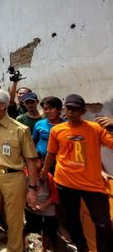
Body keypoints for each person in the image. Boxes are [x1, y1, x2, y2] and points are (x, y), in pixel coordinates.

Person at [40, 94, 113, 252]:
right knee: (71, 220)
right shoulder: (57, 130)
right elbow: (51, 153)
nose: (71, 112)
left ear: (83, 111)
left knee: (103, 223)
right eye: (69, 108)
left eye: (75, 109)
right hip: (65, 183)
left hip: (92, 185)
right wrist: (45, 171)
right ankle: (82, 247)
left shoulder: (95, 128)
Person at [0, 88, 39, 252]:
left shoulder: (20, 129)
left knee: (14, 221)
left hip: (13, 178)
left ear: (3, 105)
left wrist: (32, 189)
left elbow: (31, 161)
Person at [23, 155, 59, 251]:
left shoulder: (48, 177)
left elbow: (55, 196)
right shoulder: (25, 174)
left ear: (41, 162)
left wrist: (44, 206)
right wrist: (28, 202)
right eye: (31, 162)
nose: (33, 165)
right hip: (31, 208)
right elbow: (22, 191)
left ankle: (45, 248)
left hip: (47, 208)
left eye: (36, 162)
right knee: (27, 228)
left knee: (48, 231)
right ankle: (23, 246)